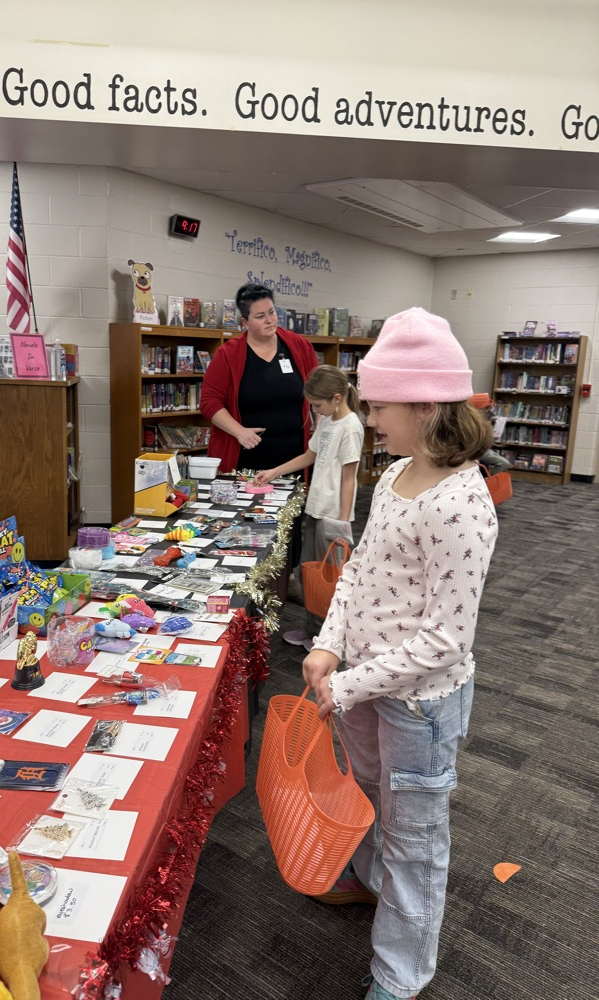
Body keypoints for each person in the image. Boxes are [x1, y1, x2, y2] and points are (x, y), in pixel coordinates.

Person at [302, 307, 498, 1000]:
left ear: (424, 403)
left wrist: (350, 684)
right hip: (363, 683)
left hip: (420, 704)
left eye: (379, 404)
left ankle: (400, 972)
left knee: (416, 839)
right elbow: (357, 571)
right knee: (368, 795)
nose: (369, 416)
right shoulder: (393, 477)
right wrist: (330, 646)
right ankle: (367, 877)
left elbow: (447, 638)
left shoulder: (461, 504)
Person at [253, 365, 365, 651]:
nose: (314, 409)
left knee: (328, 579)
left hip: (333, 516)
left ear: (336, 398)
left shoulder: (351, 427)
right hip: (316, 509)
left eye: (317, 404)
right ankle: (312, 628)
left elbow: (349, 478)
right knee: (308, 573)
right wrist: (273, 472)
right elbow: (309, 456)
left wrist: (342, 523)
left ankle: (328, 638)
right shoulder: (328, 420)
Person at [199, 283, 318, 472]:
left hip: (294, 456)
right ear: (245, 322)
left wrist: (321, 432)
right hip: (247, 456)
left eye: (272, 312)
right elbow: (209, 401)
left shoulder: (300, 346)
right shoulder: (228, 354)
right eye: (260, 316)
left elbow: (319, 391)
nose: (269, 320)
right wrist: (239, 432)